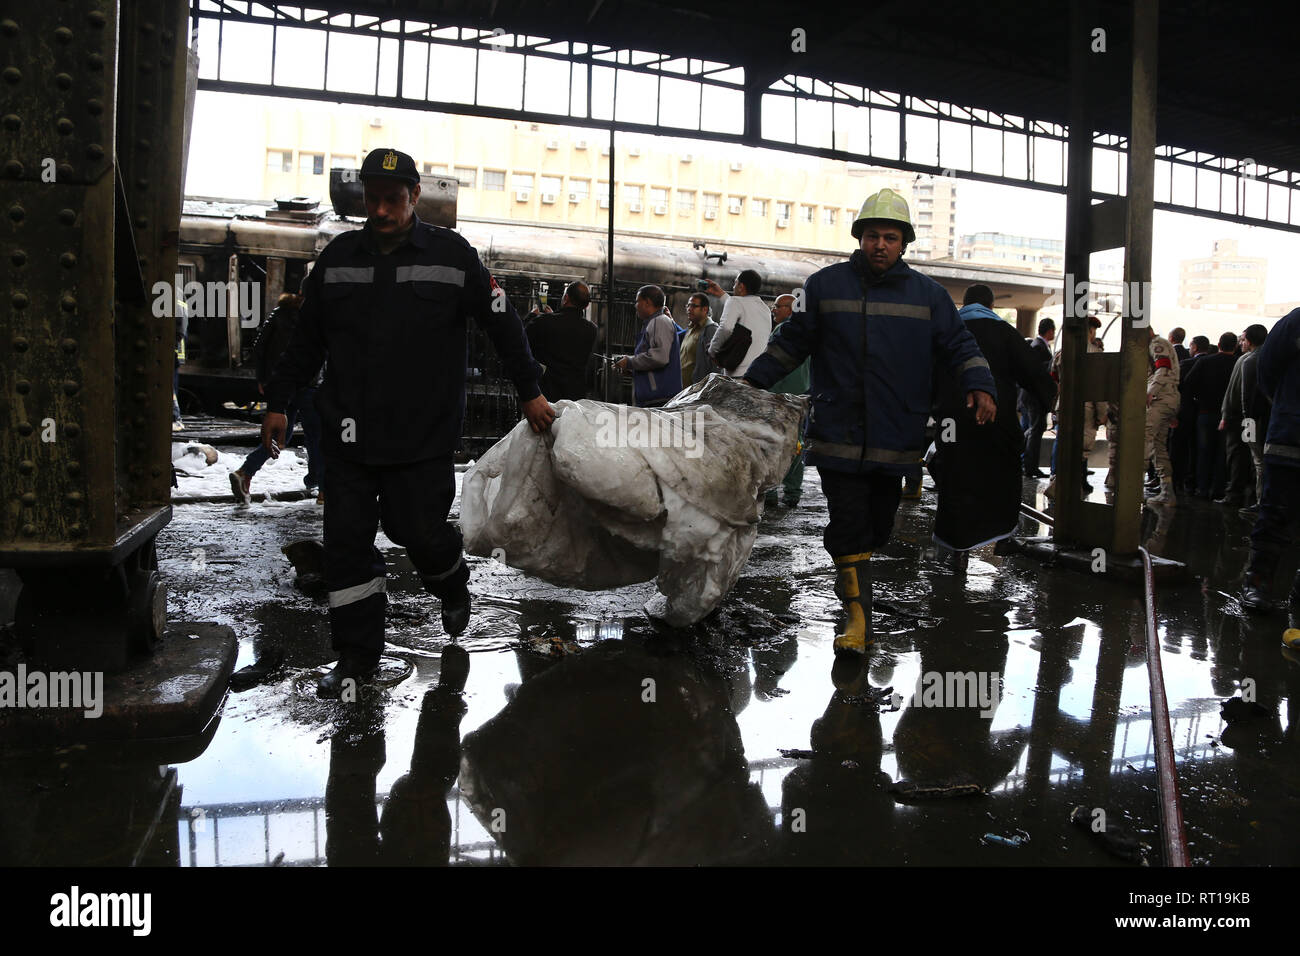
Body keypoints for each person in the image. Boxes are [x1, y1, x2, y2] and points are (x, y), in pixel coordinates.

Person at [262, 147, 555, 699]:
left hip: (422, 435)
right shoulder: (339, 258)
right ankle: (356, 659)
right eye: (372, 200)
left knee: (415, 531)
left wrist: (530, 391)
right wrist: (278, 402)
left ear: (414, 196)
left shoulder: (452, 255)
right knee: (347, 546)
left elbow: (502, 323)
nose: (381, 210)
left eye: (392, 199)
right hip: (348, 434)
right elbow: (306, 341)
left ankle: (450, 583)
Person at [742, 188, 996, 658]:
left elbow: (959, 345)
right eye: (873, 235)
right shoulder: (823, 286)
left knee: (878, 527)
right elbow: (793, 341)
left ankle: (857, 586)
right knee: (848, 524)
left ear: (904, 244)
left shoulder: (929, 296)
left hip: (895, 435)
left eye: (891, 237)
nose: (881, 244)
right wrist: (751, 385)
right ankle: (858, 617)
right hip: (837, 429)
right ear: (860, 238)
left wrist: (979, 384)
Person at [931, 286, 1055, 567]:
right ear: (991, 304)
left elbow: (926, 372)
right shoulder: (1005, 333)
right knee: (1002, 475)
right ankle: (1001, 537)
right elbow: (1034, 374)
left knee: (956, 478)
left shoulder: (947, 330)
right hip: (996, 419)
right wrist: (1048, 402)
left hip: (953, 419)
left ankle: (956, 546)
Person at [1240, 308, 1300, 650]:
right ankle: (1258, 581)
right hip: (1291, 438)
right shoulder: (1296, 322)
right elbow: (1268, 371)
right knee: (1274, 514)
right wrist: (1290, 406)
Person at [230, 287, 325, 503]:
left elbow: (260, 346)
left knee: (281, 433)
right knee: (317, 436)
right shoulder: (316, 315)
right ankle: (322, 489)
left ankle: (245, 473)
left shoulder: (279, 313)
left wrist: (263, 378)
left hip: (280, 384)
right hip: (308, 384)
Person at [763, 292, 810, 508]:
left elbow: (776, 364)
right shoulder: (804, 331)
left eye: (778, 306)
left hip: (782, 396)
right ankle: (793, 491)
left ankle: (772, 492)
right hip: (799, 396)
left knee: (776, 444)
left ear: (790, 309)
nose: (774, 309)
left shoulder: (784, 330)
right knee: (796, 444)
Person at [1181, 332, 1237, 499]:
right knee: (1222, 454)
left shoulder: (1205, 361)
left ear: (1218, 345)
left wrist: (1198, 398)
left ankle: (1202, 489)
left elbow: (1188, 384)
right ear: (1235, 346)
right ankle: (1218, 489)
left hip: (1205, 412)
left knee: (1203, 452)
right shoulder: (1238, 363)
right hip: (1228, 415)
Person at [1217, 324, 1267, 507]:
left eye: (1243, 339)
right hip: (1254, 418)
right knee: (1254, 460)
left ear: (1250, 341)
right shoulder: (1260, 358)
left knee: (1241, 456)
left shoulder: (1248, 361)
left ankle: (1238, 495)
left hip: (1245, 419)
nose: (1241, 343)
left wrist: (1239, 418)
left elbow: (1240, 393)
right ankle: (1254, 496)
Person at [524, 280, 598, 402]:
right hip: (575, 395)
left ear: (566, 298)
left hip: (548, 392)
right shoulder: (592, 329)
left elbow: (522, 337)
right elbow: (567, 334)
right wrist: (553, 316)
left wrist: (532, 316)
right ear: (586, 306)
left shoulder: (544, 322)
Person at [613, 285, 683, 408]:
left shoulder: (660, 322)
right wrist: (633, 370)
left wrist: (629, 362)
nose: (636, 306)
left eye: (637, 301)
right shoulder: (653, 323)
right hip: (654, 398)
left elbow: (659, 358)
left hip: (658, 400)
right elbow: (652, 364)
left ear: (647, 302)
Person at [706, 270, 772, 379]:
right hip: (757, 373)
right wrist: (722, 294)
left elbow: (726, 328)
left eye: (735, 283)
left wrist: (712, 351)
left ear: (741, 286)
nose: (733, 287)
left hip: (737, 372)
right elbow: (744, 307)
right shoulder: (765, 309)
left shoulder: (735, 302)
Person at [1143, 326, 1182, 504]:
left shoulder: (1156, 343)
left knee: (1144, 439)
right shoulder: (1158, 344)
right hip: (1167, 399)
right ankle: (1167, 491)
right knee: (1158, 446)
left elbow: (1163, 368)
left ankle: (1133, 488)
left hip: (1160, 399)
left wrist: (1150, 392)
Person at [1022, 318, 1056, 477]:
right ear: (1049, 331)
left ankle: (1029, 464)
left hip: (1035, 397)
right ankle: (1030, 466)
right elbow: (1035, 373)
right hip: (1035, 397)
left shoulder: (1041, 346)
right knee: (1035, 430)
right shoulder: (1037, 347)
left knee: (1034, 429)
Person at [679, 292, 719, 388]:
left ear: (705, 309)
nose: (689, 309)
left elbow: (715, 365)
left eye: (693, 306)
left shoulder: (710, 330)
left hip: (696, 391)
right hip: (682, 390)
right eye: (688, 305)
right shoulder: (691, 328)